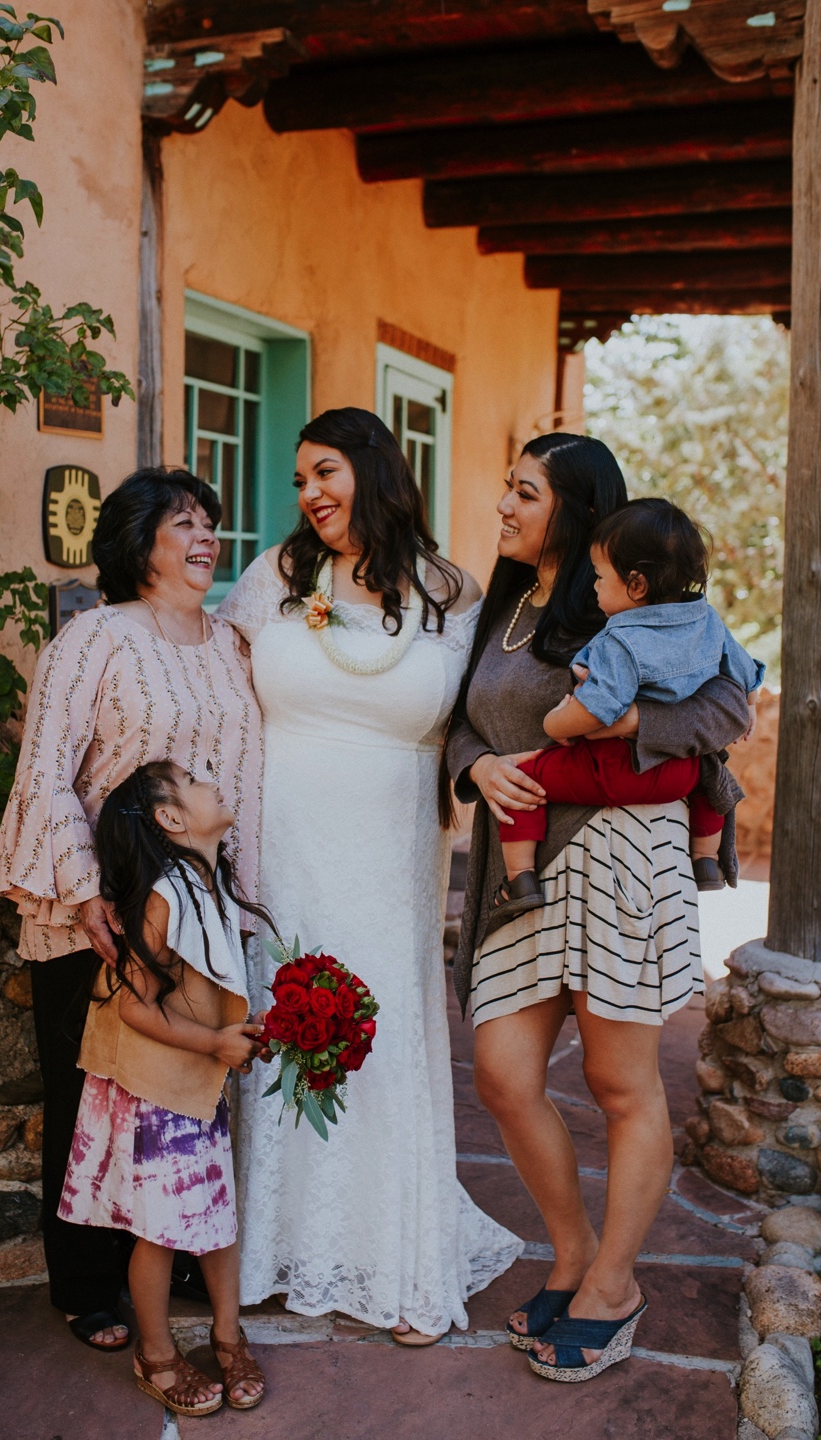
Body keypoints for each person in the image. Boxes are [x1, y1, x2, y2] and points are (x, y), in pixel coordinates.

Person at [444, 433, 751, 1383]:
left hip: (617, 853)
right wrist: (475, 765)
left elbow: (730, 708)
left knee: (623, 1086)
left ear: (574, 511)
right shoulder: (504, 605)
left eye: (524, 492)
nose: (503, 505)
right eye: (507, 488)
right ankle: (573, 1253)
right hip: (519, 863)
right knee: (502, 1071)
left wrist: (625, 722)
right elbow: (465, 719)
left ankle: (611, 1281)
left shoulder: (631, 603)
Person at [219, 406, 523, 1345]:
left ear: (373, 471)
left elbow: (485, 715)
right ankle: (275, 1244)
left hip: (391, 849)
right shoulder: (275, 578)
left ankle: (399, 1256)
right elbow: (222, 697)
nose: (309, 493)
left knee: (384, 1035)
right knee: (280, 1022)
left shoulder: (454, 593)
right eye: (301, 478)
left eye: (325, 473)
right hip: (284, 840)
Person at [0, 469, 262, 1352]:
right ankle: (89, 1284)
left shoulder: (234, 645)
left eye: (210, 520)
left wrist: (243, 906)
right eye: (185, 521)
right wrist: (85, 892)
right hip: (96, 910)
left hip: (200, 923)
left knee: (188, 1091)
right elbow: (47, 771)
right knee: (93, 1097)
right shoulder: (94, 637)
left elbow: (245, 785)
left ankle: (171, 1251)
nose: (206, 534)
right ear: (140, 541)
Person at [59, 760, 266, 1415]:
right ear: (172, 819)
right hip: (154, 1092)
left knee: (216, 1217)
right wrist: (215, 1044)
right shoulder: (166, 894)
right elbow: (135, 1007)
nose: (217, 782)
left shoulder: (207, 884)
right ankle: (155, 1354)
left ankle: (227, 1336)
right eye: (202, 781)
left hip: (192, 1089)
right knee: (159, 1231)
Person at [496, 497, 764, 915]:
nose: (595, 586)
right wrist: (749, 705)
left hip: (617, 772)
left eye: (601, 577)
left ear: (636, 585)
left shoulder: (618, 639)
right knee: (713, 775)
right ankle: (706, 862)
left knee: (521, 781)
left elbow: (599, 710)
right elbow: (745, 670)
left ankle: (520, 879)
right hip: (678, 774)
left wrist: (556, 724)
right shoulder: (708, 620)